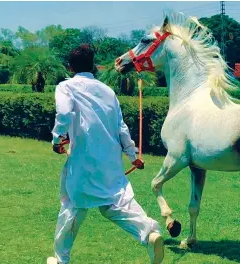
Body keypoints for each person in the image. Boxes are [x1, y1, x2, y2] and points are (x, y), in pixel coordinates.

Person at [47, 44, 164, 264]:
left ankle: (60, 260)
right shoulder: (108, 91)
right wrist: (132, 155)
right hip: (111, 161)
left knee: (73, 207)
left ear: (70, 67)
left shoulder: (66, 87)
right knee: (117, 205)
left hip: (83, 160)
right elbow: (121, 127)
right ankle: (149, 233)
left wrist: (56, 139)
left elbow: (63, 112)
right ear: (93, 66)